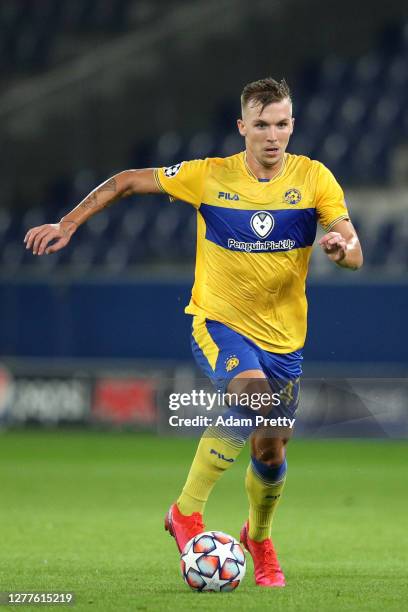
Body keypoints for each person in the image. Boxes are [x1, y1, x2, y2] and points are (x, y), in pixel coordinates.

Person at [24, 77, 363, 587]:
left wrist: (341, 250)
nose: (273, 135)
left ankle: (260, 537)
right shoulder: (209, 176)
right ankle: (186, 512)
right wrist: (69, 223)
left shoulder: (315, 179)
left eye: (282, 124)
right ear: (242, 127)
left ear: (292, 125)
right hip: (218, 323)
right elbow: (126, 180)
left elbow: (353, 247)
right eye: (262, 125)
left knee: (270, 450)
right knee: (253, 400)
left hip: (285, 343)